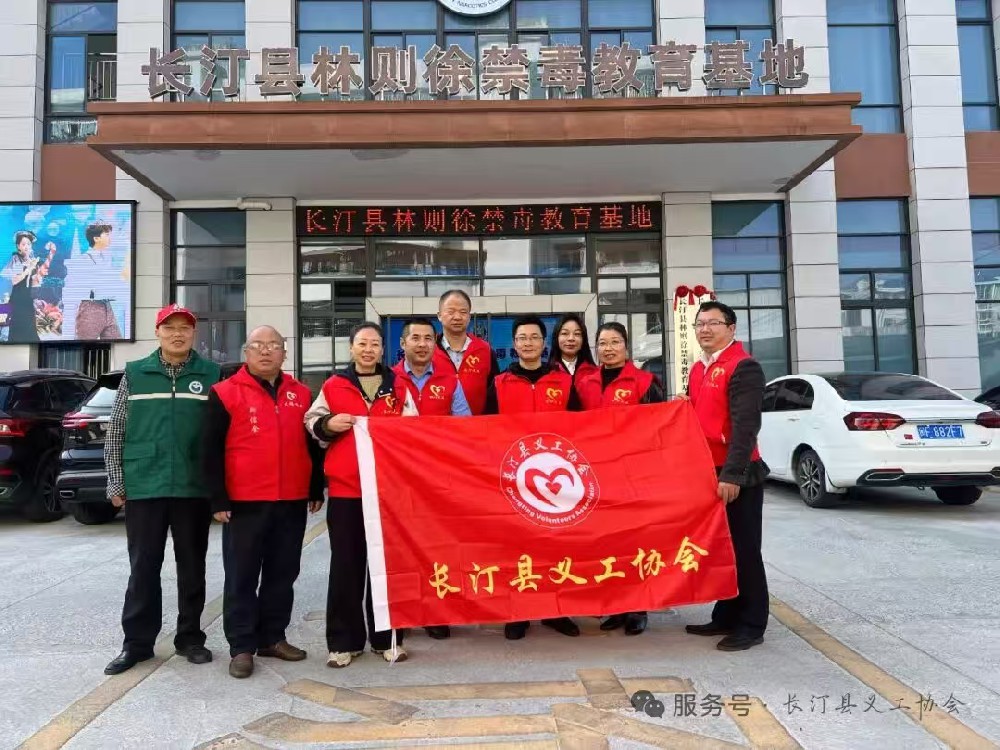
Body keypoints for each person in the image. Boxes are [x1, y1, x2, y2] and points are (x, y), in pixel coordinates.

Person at [103, 304, 222, 675]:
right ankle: (137, 643)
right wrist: (115, 480)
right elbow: (116, 430)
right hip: (144, 485)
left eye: (184, 328)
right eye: (169, 327)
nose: (177, 334)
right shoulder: (136, 374)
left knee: (192, 568)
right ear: (158, 332)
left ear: (194, 333)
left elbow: (221, 436)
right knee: (143, 568)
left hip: (192, 488)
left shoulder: (212, 374)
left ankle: (190, 638)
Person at [202, 326, 326, 679]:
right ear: (246, 352)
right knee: (241, 575)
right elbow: (209, 450)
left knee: (283, 572)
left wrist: (316, 487)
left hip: (290, 499)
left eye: (274, 345)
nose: (266, 351)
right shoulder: (225, 393)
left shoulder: (301, 394)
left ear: (285, 353)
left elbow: (312, 446)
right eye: (258, 345)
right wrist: (217, 498)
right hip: (244, 501)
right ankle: (241, 646)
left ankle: (273, 636)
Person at [305, 322, 408, 668]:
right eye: (362, 344)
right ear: (351, 348)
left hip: (387, 493)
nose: (368, 350)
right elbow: (312, 422)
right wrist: (328, 425)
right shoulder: (334, 385)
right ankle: (343, 641)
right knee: (347, 566)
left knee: (387, 566)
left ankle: (387, 638)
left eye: (375, 344)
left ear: (383, 350)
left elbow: (415, 432)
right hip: (347, 491)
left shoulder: (399, 387)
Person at [487, 315, 580, 640]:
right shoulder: (499, 383)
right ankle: (519, 613)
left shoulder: (564, 382)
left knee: (556, 546)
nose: (528, 343)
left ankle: (558, 610)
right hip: (512, 480)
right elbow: (483, 432)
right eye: (522, 338)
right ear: (514, 344)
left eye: (534, 337)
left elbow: (584, 430)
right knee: (517, 548)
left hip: (558, 483)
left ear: (544, 343)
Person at [684, 301, 769, 652]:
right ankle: (725, 615)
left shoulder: (743, 367)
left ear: (731, 328)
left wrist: (733, 474)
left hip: (738, 473)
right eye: (700, 324)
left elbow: (746, 427)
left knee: (745, 549)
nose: (705, 329)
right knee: (721, 547)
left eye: (713, 323)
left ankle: (752, 623)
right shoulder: (700, 369)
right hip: (708, 471)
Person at [576, 322, 664, 636]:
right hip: (596, 477)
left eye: (615, 342)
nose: (609, 348)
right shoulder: (585, 383)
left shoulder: (645, 382)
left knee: (635, 542)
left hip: (633, 476)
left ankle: (638, 607)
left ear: (626, 347)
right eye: (603, 343)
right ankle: (614, 605)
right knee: (605, 544)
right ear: (596, 348)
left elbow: (659, 427)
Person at [392, 317, 471, 641]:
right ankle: (402, 613)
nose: (422, 344)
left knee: (437, 547)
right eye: (416, 338)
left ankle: (434, 612)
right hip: (397, 480)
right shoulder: (388, 380)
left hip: (439, 481)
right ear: (403, 343)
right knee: (399, 546)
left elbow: (464, 426)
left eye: (428, 338)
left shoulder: (449, 380)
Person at [433, 289, 500, 415]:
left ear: (469, 316)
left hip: (477, 428)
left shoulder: (485, 350)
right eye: (451, 311)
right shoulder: (429, 350)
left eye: (463, 312)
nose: (457, 317)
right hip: (438, 429)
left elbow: (494, 395)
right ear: (439, 315)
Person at [64, 222, 123, 341]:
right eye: (106, 234)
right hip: (90, 306)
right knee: (85, 345)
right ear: (96, 238)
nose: (109, 238)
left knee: (117, 341)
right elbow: (72, 290)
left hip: (107, 305)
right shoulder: (83, 260)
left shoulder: (107, 259)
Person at [1, 231, 53, 342]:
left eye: (28, 244)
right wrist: (28, 269)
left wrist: (39, 275)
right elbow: (15, 281)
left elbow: (34, 282)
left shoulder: (33, 260)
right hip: (18, 298)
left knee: (30, 327)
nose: (26, 247)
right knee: (18, 327)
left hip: (29, 298)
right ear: (18, 246)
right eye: (23, 244)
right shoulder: (16, 259)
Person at [547, 313, 598, 384]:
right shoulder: (546, 373)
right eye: (565, 333)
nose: (571, 338)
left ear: (583, 340)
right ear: (556, 338)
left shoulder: (594, 373)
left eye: (577, 334)